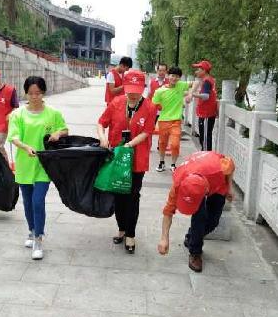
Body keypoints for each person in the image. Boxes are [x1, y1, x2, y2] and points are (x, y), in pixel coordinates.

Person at [8, 76, 68, 260]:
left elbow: (64, 129)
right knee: (27, 202)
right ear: (26, 92)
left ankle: (38, 238)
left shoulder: (53, 113)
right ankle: (31, 230)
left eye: (38, 93)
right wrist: (25, 147)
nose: (34, 96)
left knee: (37, 201)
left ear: (43, 92)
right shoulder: (18, 114)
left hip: (45, 164)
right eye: (31, 93)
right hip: (25, 163)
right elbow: (14, 137)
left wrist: (58, 133)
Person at [97, 70, 156, 253]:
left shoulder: (150, 108)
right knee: (118, 194)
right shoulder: (116, 103)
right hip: (116, 157)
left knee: (132, 195)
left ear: (143, 89)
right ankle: (121, 229)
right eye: (129, 90)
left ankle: (130, 234)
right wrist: (102, 138)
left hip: (137, 158)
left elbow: (147, 132)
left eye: (137, 90)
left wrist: (130, 144)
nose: (132, 94)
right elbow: (101, 123)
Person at [157, 151, 235, 272]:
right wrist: (164, 238)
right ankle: (195, 252)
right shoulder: (179, 183)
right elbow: (168, 212)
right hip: (196, 175)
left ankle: (191, 237)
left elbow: (231, 165)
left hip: (217, 184)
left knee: (213, 222)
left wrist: (229, 188)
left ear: (206, 190)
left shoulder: (219, 168)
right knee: (199, 218)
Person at [152, 66, 192, 172]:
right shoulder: (159, 91)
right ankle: (161, 162)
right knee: (162, 143)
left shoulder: (180, 86)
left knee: (175, 144)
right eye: (173, 76)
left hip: (176, 121)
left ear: (179, 78)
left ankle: (173, 164)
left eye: (177, 76)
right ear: (168, 76)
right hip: (163, 120)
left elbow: (196, 83)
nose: (174, 78)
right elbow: (153, 105)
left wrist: (190, 95)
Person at [189, 60, 218, 151]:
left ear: (204, 70)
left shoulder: (207, 81)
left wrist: (192, 94)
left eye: (198, 69)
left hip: (206, 114)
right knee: (205, 137)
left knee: (205, 139)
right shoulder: (209, 80)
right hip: (207, 114)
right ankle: (205, 157)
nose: (196, 71)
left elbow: (206, 96)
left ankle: (206, 158)